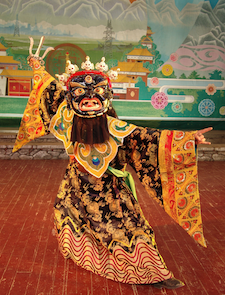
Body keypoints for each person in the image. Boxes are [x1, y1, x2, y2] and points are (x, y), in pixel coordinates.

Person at [13, 37, 212, 290]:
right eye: (82, 97)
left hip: (111, 191)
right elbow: (49, 91)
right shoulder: (66, 119)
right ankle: (88, 257)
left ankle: (153, 271)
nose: (89, 101)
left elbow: (149, 138)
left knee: (129, 227)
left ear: (106, 99)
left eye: (95, 98)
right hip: (75, 187)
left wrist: (188, 140)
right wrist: (37, 67)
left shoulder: (117, 129)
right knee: (70, 219)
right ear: (73, 99)